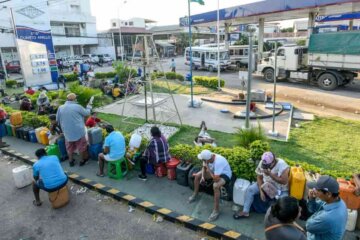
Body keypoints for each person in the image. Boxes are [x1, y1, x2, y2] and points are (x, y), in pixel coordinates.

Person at [233, 152, 290, 219]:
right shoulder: (262, 162)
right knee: (250, 189)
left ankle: (279, 221)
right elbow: (259, 178)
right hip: (265, 184)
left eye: (268, 166)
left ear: (273, 161)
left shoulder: (282, 165)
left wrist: (270, 174)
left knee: (284, 202)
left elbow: (284, 181)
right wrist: (261, 191)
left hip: (280, 189)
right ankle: (245, 212)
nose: (266, 167)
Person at [188, 150, 232, 221]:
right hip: (215, 172)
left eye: (203, 160)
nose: (202, 160)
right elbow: (204, 168)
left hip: (224, 174)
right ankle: (195, 194)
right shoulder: (206, 158)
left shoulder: (218, 162)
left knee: (215, 185)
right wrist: (202, 176)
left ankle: (216, 210)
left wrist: (208, 168)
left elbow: (216, 179)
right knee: (197, 176)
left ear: (207, 160)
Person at [306, 175, 347, 240]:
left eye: (317, 190)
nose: (314, 191)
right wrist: (312, 199)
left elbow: (308, 226)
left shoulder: (328, 217)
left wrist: (313, 216)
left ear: (328, 194)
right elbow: (314, 208)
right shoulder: (337, 201)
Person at [56, 93, 91, 167]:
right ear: (74, 99)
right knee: (81, 147)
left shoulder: (61, 107)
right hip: (78, 131)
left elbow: (57, 119)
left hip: (67, 132)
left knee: (69, 147)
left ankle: (71, 161)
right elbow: (87, 113)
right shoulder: (77, 106)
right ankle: (82, 161)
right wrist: (89, 107)